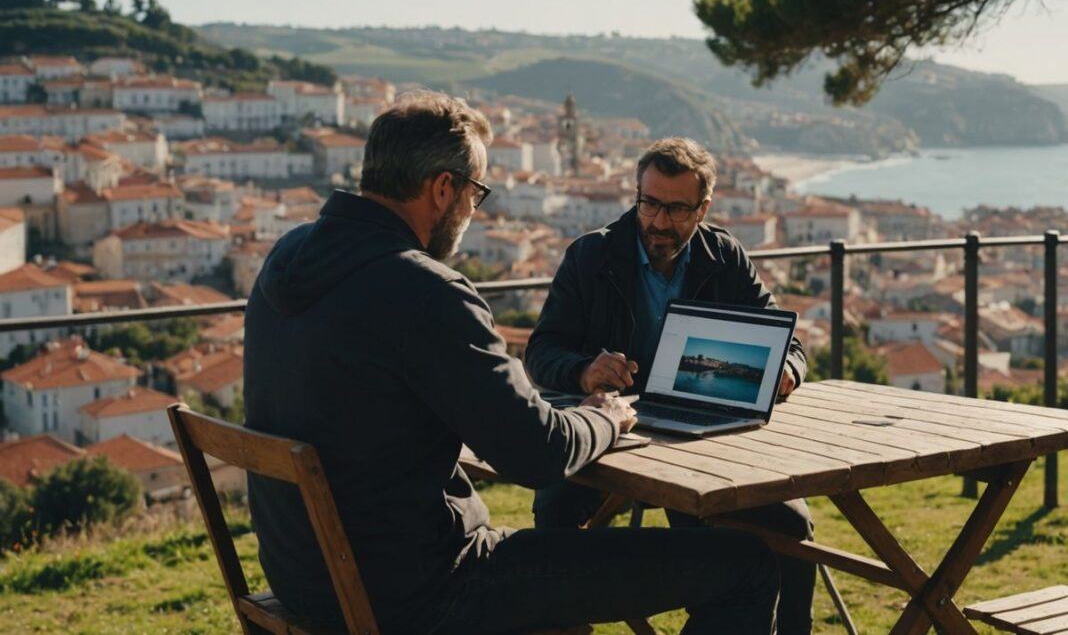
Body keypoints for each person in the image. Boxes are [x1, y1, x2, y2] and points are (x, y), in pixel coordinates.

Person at [244, 94, 780, 635]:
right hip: (427, 589)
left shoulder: (286, 259)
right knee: (746, 564)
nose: (474, 211)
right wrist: (606, 416)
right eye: (476, 193)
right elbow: (537, 454)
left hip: (308, 580)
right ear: (443, 188)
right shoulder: (425, 291)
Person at [526, 137, 815, 635]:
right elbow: (542, 351)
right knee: (555, 511)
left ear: (702, 209)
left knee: (791, 527)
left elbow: (788, 342)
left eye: (676, 209)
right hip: (606, 434)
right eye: (649, 202)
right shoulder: (590, 256)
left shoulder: (723, 255)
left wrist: (787, 370)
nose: (658, 221)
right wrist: (583, 371)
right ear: (636, 192)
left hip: (705, 440)